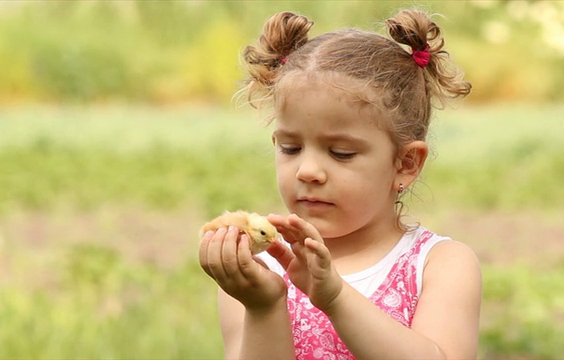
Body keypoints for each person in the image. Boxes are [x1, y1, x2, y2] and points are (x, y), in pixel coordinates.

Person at [199, 8, 481, 360]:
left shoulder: (439, 265)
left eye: (341, 153)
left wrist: (335, 297)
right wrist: (264, 307)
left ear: (405, 163)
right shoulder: (259, 271)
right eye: (291, 148)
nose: (308, 171)